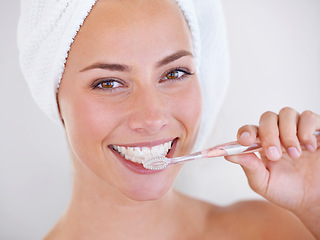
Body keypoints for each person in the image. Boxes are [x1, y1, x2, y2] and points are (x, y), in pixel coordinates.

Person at [17, 0, 320, 239]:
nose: (151, 118)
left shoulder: (276, 232)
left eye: (174, 73)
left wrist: (316, 205)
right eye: (108, 83)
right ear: (55, 95)